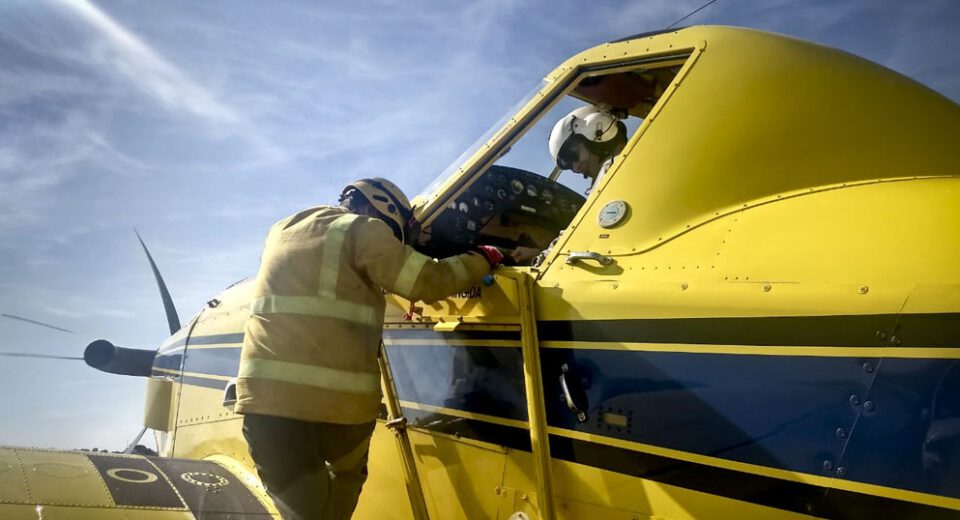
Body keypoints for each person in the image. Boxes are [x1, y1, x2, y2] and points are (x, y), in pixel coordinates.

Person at [235, 178, 502, 520]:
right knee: (346, 478)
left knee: (302, 511)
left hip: (265, 410)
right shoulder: (364, 229)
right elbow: (428, 281)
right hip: (340, 414)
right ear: (382, 208)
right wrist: (483, 257)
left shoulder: (282, 229)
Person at [512, 105, 629, 265]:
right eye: (568, 164)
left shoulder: (613, 169)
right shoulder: (630, 161)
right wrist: (540, 252)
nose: (575, 168)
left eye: (572, 155)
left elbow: (583, 229)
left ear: (597, 129)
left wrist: (542, 258)